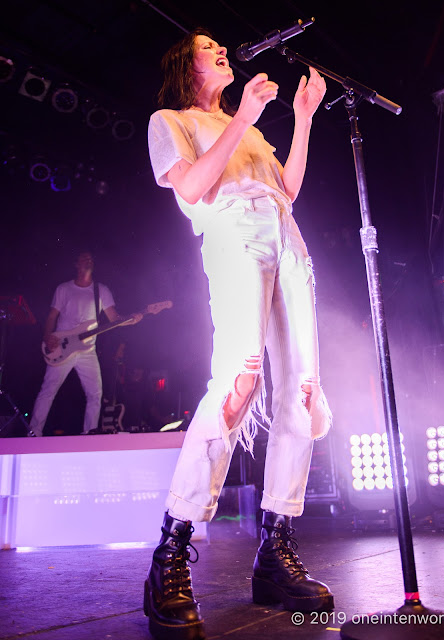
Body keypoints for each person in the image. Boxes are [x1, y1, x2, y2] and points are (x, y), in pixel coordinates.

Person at [146, 28, 333, 640]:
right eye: (207, 48)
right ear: (185, 64)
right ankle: (171, 550)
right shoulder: (170, 119)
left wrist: (301, 119)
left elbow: (288, 189)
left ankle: (275, 552)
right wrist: (245, 113)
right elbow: (194, 188)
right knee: (237, 386)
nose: (220, 50)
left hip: (285, 235)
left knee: (302, 392)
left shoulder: (250, 129)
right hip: (233, 235)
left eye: (220, 44)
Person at [28, 251, 139, 436]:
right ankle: (33, 432)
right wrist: (48, 337)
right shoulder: (64, 289)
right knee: (48, 389)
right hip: (62, 347)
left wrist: (131, 320)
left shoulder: (101, 290)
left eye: (91, 258)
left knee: (95, 394)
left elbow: (114, 318)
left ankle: (89, 434)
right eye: (84, 258)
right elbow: (51, 316)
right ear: (76, 264)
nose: (88, 261)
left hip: (87, 350)